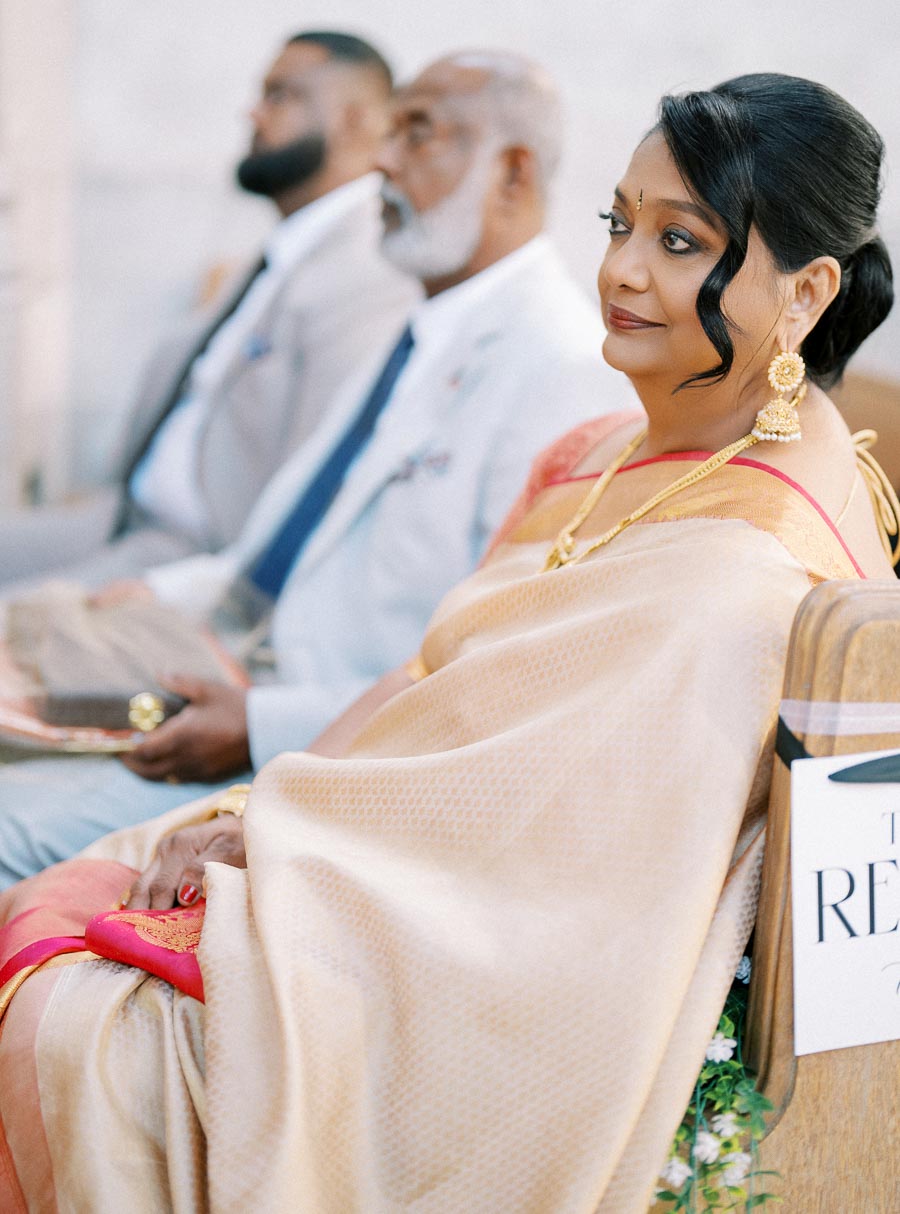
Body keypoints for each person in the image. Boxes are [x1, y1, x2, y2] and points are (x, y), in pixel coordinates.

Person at [1, 72, 895, 1213]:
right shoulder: (617, 443)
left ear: (809, 290)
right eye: (621, 223)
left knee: (83, 1026)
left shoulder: (738, 570)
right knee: (92, 888)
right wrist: (260, 811)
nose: (622, 270)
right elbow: (445, 686)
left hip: (475, 942)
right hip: (364, 816)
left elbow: (542, 866)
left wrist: (271, 842)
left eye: (682, 242)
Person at [0, 50, 634, 882]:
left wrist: (257, 722)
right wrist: (148, 593)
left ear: (512, 172)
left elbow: (487, 671)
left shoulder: (560, 366)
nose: (380, 159)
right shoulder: (422, 328)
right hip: (220, 664)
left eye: (418, 132)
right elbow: (279, 556)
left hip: (315, 748)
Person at [0, 30, 418, 589]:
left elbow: (308, 494)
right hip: (118, 520)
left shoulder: (367, 272)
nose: (254, 112)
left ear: (355, 122)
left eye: (280, 96)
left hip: (186, 561)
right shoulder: (290, 249)